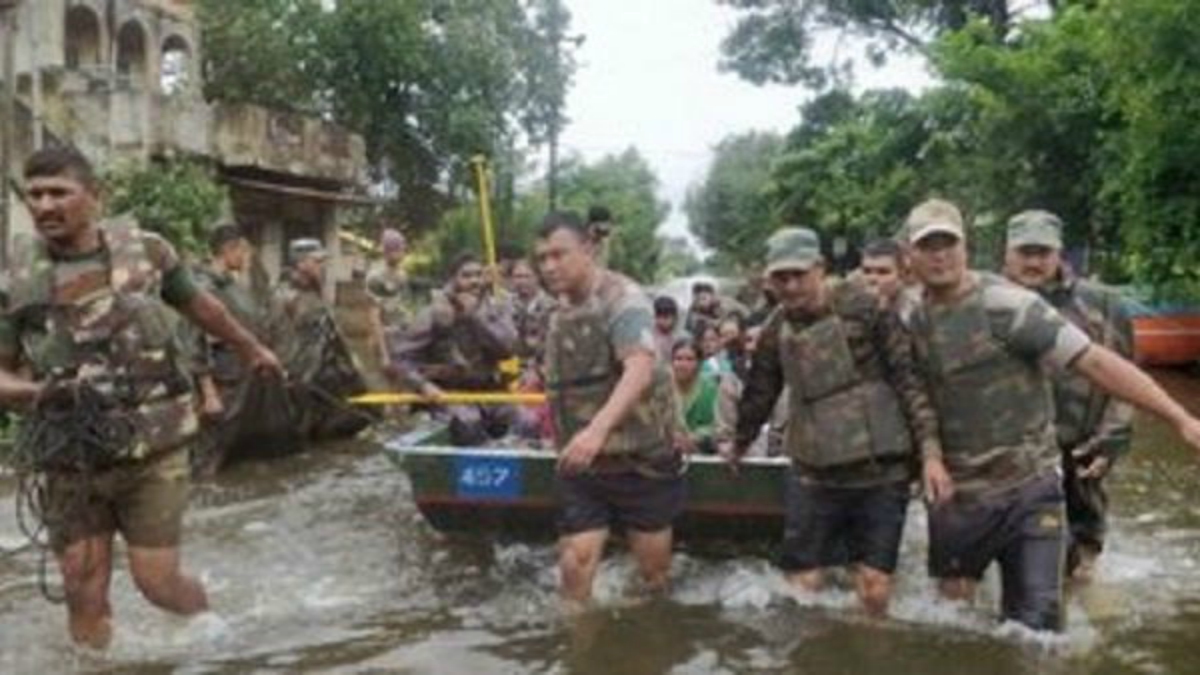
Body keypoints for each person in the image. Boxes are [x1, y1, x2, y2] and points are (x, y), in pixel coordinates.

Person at [0, 147, 281, 648]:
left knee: (157, 583)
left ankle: (214, 638)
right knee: (81, 590)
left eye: (58, 193)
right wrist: (43, 391)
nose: (44, 205)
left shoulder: (149, 252)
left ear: (94, 197)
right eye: (35, 194)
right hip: (69, 455)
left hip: (152, 449)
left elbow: (202, 307)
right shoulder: (14, 279)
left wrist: (252, 347)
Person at [902, 198, 1200, 632]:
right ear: (910, 256)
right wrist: (929, 454)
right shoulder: (909, 316)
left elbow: (1096, 362)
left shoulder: (1010, 306)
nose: (939, 254)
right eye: (927, 246)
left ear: (967, 247)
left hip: (1029, 488)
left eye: (949, 243)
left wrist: (1180, 418)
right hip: (960, 496)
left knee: (1039, 633)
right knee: (951, 625)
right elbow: (916, 392)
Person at [726, 227, 941, 617]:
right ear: (769, 280)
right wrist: (738, 444)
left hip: (880, 473)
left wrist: (930, 454)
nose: (790, 286)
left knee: (874, 591)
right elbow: (759, 392)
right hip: (814, 474)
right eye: (781, 278)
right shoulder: (776, 329)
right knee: (800, 589)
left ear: (820, 269)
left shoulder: (868, 308)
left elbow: (909, 381)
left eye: (799, 275)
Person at [535, 211, 684, 606]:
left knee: (653, 575)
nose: (549, 266)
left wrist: (596, 431)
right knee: (574, 566)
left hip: (640, 461)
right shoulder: (557, 309)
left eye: (558, 254)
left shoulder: (625, 300)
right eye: (542, 258)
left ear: (588, 249)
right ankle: (578, 653)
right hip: (583, 465)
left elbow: (638, 367)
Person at [1001, 209, 1134, 580]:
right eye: (1024, 252)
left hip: (1079, 448)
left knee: (1082, 555)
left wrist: (1112, 440)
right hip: (1011, 451)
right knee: (1015, 552)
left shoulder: (1102, 304)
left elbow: (1126, 380)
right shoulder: (988, 302)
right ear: (1007, 253)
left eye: (1042, 252)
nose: (1033, 261)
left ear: (1059, 253)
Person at [390, 253, 518, 446]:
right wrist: (424, 385)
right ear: (453, 280)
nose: (474, 281)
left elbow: (509, 349)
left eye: (478, 275)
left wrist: (476, 317)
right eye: (466, 276)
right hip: (449, 395)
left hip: (491, 392)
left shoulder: (496, 309)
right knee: (468, 423)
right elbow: (401, 358)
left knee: (525, 421)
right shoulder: (433, 313)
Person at [189, 224, 274, 476]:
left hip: (239, 376)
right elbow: (194, 340)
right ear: (228, 250)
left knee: (227, 446)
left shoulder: (229, 285)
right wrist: (208, 392)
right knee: (210, 447)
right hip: (220, 380)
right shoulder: (204, 288)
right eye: (243, 251)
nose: (246, 257)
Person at [272, 238, 374, 440]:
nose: (322, 267)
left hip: (324, 381)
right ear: (301, 264)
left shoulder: (314, 293)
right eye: (316, 262)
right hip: (299, 385)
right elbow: (280, 341)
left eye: (322, 262)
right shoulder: (285, 297)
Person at [365, 227, 413, 376]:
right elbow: (374, 318)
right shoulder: (375, 278)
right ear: (388, 251)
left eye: (403, 249)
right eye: (399, 250)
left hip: (402, 334)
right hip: (384, 338)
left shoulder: (402, 275)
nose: (402, 254)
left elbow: (404, 306)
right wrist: (384, 354)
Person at [670, 338, 720, 455]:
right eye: (678, 359)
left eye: (689, 359)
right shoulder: (661, 388)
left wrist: (695, 437)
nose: (683, 364)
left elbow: (717, 426)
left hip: (701, 451)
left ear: (699, 363)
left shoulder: (710, 388)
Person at [506, 258, 555, 366]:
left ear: (537, 277)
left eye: (527, 276)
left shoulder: (551, 306)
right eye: (518, 276)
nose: (522, 281)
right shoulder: (504, 305)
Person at [859, 238, 907, 310]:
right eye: (867, 271)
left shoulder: (916, 311)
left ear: (901, 274)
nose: (872, 278)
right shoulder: (847, 307)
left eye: (883, 272)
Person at [652, 295, 682, 363]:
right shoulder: (650, 335)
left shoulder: (678, 337)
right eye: (658, 317)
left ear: (675, 318)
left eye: (666, 317)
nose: (661, 321)